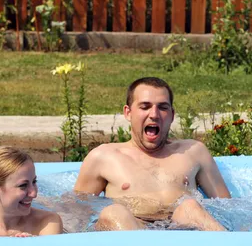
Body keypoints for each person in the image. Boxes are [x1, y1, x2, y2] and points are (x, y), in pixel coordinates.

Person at [74, 77, 231, 231]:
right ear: (128, 113)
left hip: (182, 231)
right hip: (132, 230)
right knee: (114, 213)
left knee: (189, 207)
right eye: (145, 107)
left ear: (172, 115)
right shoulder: (103, 157)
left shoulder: (194, 151)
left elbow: (228, 208)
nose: (154, 114)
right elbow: (76, 214)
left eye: (162, 107)